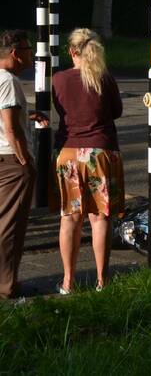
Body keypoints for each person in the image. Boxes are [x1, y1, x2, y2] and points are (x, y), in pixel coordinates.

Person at [52, 29, 124, 293]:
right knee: (100, 218)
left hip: (69, 154)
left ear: (72, 51)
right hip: (101, 153)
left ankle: (68, 283)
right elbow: (116, 111)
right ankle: (102, 282)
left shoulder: (59, 79)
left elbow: (60, 110)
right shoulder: (104, 79)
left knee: (69, 218)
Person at [0, 30, 49, 300]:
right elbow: (10, 128)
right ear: (15, 53)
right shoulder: (8, 81)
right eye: (29, 50)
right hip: (10, 160)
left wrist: (25, 114)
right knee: (11, 226)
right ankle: (7, 286)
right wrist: (25, 161)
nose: (32, 54)